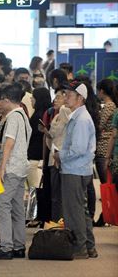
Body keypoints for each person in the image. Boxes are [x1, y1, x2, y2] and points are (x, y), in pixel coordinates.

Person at [0, 83, 31, 260]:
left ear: (7, 100)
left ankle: (6, 247)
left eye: (0, 99)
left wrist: (2, 168)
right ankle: (18, 245)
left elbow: (9, 143)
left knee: (3, 205)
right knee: (17, 207)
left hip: (11, 167)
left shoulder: (13, 117)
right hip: (21, 167)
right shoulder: (23, 115)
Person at [54, 81, 98, 259]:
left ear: (80, 98)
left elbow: (78, 149)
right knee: (82, 209)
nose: (65, 97)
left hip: (75, 170)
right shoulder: (80, 116)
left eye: (69, 95)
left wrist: (60, 155)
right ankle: (89, 246)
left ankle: (80, 248)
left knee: (74, 211)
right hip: (79, 169)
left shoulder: (81, 119)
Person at [93, 79, 117, 226]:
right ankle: (106, 216)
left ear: (102, 91)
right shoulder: (113, 106)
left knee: (106, 184)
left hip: (103, 147)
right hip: (106, 146)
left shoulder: (108, 106)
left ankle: (105, 216)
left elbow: (100, 125)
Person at [26, 87, 52, 227]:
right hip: (42, 157)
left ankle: (35, 217)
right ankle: (37, 217)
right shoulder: (47, 113)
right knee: (37, 188)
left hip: (35, 158)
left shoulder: (38, 116)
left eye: (33, 97)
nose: (31, 99)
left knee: (34, 189)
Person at [45, 88, 70, 224]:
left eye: (59, 97)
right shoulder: (55, 115)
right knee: (55, 194)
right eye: (55, 97)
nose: (55, 100)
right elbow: (52, 135)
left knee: (61, 194)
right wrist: (45, 131)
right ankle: (55, 222)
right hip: (53, 155)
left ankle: (62, 222)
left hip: (62, 157)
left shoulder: (66, 112)